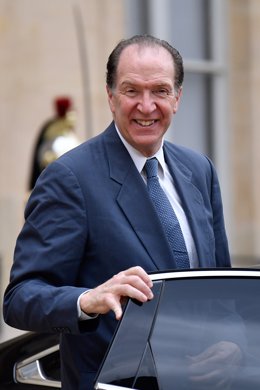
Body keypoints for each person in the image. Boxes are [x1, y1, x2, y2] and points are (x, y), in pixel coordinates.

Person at [3, 35, 233, 389]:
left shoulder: (199, 170)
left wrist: (233, 346)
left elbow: (223, 291)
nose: (146, 106)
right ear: (110, 97)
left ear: (178, 97)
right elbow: (20, 299)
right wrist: (86, 299)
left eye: (159, 90)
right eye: (131, 91)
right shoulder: (70, 179)